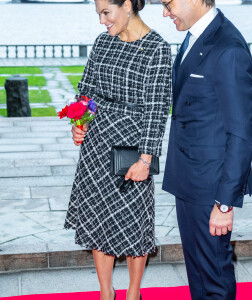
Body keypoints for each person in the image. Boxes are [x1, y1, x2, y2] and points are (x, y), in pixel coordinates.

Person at [63, 0, 172, 299]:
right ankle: (105, 293)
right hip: (97, 144)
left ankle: (133, 293)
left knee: (134, 220)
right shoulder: (103, 42)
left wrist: (146, 158)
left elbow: (156, 108)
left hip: (131, 149)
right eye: (98, 14)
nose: (102, 21)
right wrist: (79, 121)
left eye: (105, 13)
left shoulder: (157, 49)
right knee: (99, 217)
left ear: (127, 6)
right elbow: (87, 90)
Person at [161, 0, 252, 299]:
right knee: (198, 272)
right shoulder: (194, 36)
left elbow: (242, 135)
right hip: (188, 177)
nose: (165, 13)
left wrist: (224, 203)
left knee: (213, 275)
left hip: (211, 188)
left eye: (167, 3)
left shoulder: (228, 48)